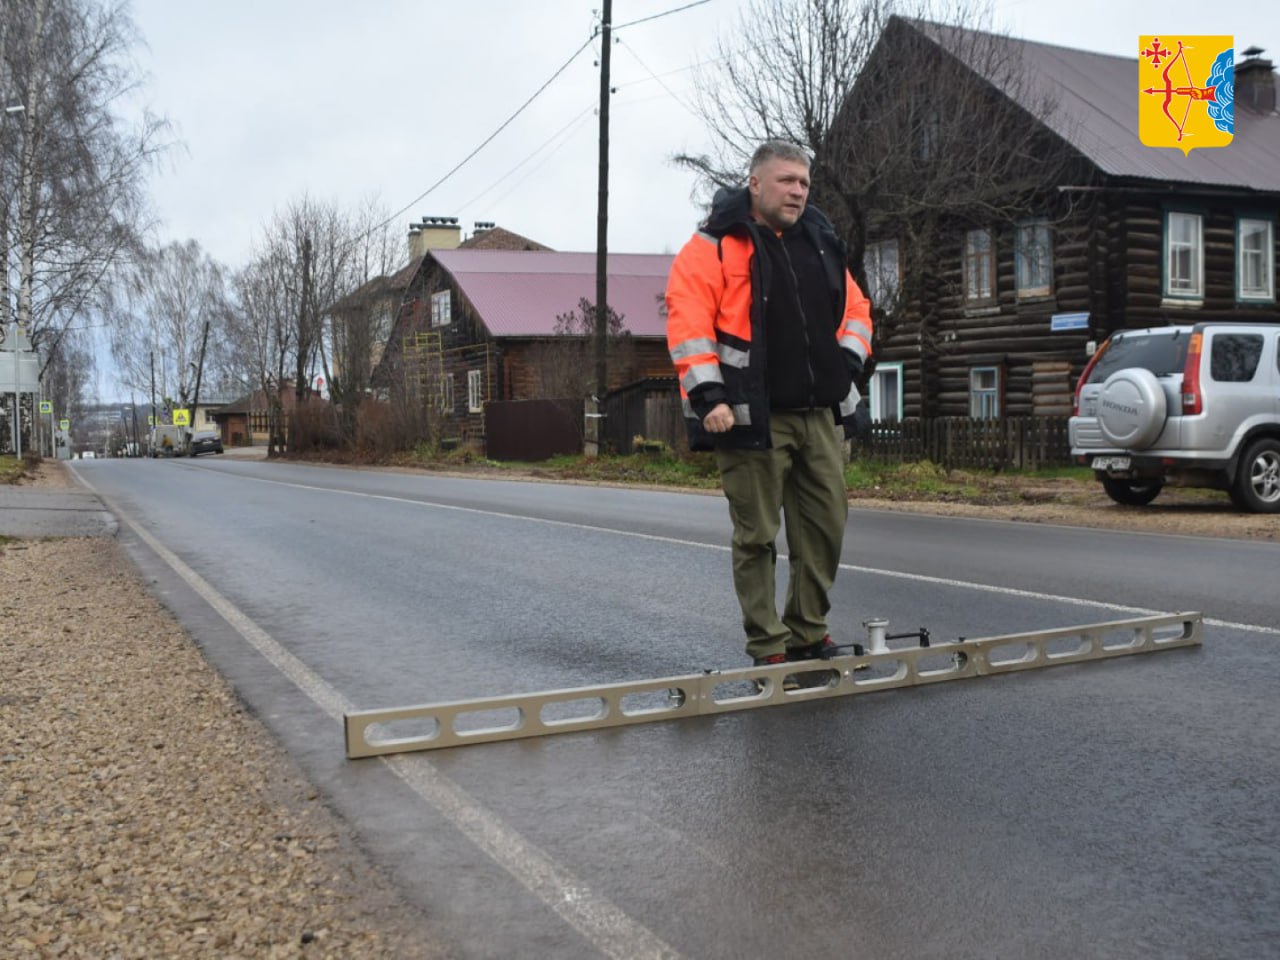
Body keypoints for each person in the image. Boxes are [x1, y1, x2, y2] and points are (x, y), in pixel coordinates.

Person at [665, 140, 873, 667]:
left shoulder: (821, 242)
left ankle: (807, 631)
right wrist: (709, 395)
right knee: (757, 535)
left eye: (803, 183)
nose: (798, 191)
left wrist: (845, 366)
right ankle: (768, 644)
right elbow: (688, 324)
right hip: (748, 415)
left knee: (824, 529)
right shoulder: (712, 246)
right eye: (786, 180)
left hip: (821, 414)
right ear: (755, 184)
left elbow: (857, 310)